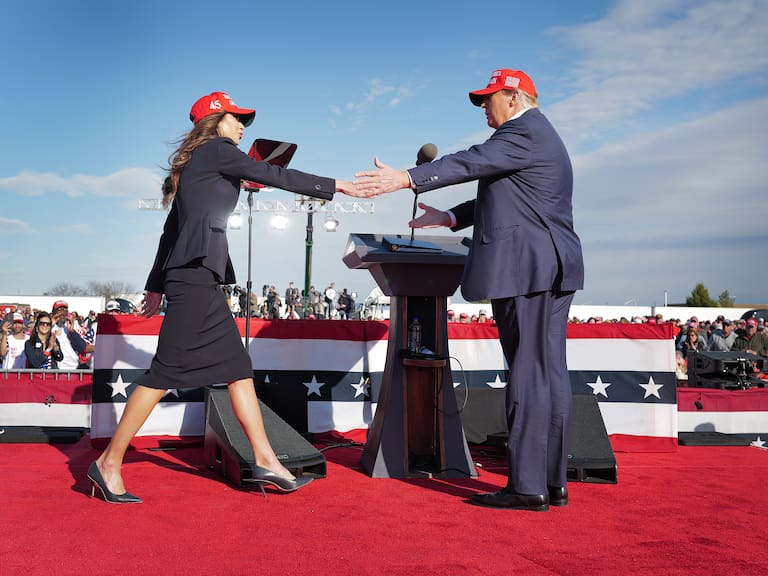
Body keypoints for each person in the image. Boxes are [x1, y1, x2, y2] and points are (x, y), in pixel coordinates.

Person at [88, 91, 357, 504]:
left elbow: (169, 233)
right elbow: (277, 176)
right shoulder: (216, 150)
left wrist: (156, 285)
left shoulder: (204, 162)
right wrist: (337, 186)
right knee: (164, 372)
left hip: (197, 276)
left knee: (238, 368)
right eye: (236, 118)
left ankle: (265, 458)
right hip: (194, 276)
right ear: (214, 122)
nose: (243, 125)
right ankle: (108, 463)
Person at [354, 69, 584, 511]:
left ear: (514, 98)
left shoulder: (523, 132)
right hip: (549, 266)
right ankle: (551, 482)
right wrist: (452, 218)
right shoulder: (536, 137)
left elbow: (470, 161)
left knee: (530, 373)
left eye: (488, 98)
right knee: (548, 373)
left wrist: (408, 177)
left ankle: (526, 487)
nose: (484, 107)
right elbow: (506, 194)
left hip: (528, 270)